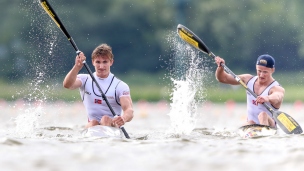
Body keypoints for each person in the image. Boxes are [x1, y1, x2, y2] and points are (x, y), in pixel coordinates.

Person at [63, 43, 134, 128]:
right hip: (92, 125)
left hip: (113, 125)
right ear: (93, 62)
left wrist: (123, 118)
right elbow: (67, 85)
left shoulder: (120, 86)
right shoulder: (85, 79)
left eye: (105, 62)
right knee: (93, 123)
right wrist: (77, 67)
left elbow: (129, 110)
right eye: (98, 62)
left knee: (105, 119)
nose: (101, 66)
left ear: (111, 62)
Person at [214, 54, 285, 128]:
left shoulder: (276, 88)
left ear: (272, 70)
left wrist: (266, 98)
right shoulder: (247, 79)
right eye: (259, 71)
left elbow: (278, 96)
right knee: (249, 123)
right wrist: (220, 67)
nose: (261, 75)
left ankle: (263, 135)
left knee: (263, 114)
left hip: (270, 126)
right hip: (252, 126)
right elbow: (223, 78)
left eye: (265, 72)